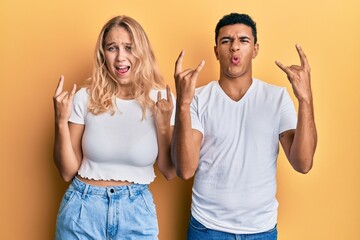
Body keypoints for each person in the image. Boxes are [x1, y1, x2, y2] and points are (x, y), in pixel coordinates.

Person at [172, 13, 317, 239]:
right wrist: (183, 104)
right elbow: (185, 169)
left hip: (261, 230)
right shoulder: (197, 98)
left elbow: (303, 163)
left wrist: (306, 100)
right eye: (226, 41)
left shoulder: (276, 97)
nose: (234, 47)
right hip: (207, 228)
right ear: (216, 51)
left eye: (243, 40)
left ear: (256, 49)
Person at [53, 15, 176, 240]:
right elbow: (67, 171)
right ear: (103, 55)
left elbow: (169, 171)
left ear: (142, 52)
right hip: (83, 209)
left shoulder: (162, 99)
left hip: (136, 212)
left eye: (129, 48)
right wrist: (60, 121)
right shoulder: (85, 98)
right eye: (112, 48)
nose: (121, 57)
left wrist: (164, 126)